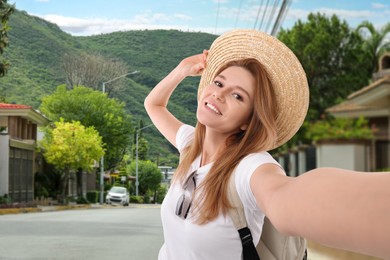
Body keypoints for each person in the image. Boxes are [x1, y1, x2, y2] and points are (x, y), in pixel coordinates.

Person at [144, 29, 390, 260]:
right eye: (218, 83)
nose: (219, 94)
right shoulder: (190, 146)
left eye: (237, 95)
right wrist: (182, 69)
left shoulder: (248, 167)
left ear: (248, 121)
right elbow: (153, 105)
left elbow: (284, 197)